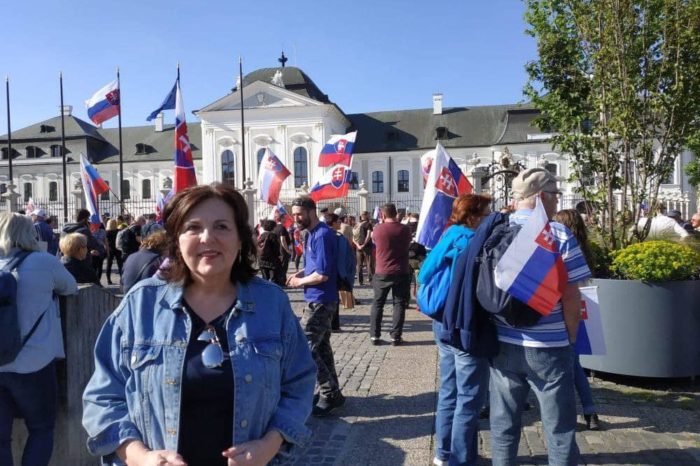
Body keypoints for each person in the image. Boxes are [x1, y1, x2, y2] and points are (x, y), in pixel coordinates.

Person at [82, 183, 316, 466]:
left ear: (240, 238)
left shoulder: (271, 304)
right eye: (193, 227)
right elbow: (103, 397)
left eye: (221, 226)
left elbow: (299, 383)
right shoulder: (140, 304)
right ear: (177, 240)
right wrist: (139, 456)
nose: (208, 238)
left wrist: (270, 444)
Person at [489, 168, 592, 466]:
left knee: (503, 424)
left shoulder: (496, 230)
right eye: (555, 194)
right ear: (540, 197)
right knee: (559, 428)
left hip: (502, 340)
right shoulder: (557, 233)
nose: (558, 200)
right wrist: (570, 337)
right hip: (548, 345)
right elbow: (572, 295)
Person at [0, 212, 77, 466]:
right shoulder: (43, 261)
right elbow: (70, 287)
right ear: (29, 233)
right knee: (41, 428)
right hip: (34, 362)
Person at [420, 194, 492, 466]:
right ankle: (462, 460)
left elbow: (424, 273)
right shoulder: (469, 241)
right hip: (462, 322)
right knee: (470, 398)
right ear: (473, 216)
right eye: (486, 213)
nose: (488, 217)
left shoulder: (448, 235)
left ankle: (443, 453)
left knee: (449, 391)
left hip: (441, 322)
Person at [287, 196, 345, 417]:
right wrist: (300, 274)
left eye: (299, 213)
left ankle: (329, 392)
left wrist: (299, 282)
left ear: (312, 211)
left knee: (305, 347)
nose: (296, 218)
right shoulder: (310, 234)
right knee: (321, 347)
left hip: (321, 299)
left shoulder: (321, 235)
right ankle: (333, 392)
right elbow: (314, 267)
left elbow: (322, 274)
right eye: (294, 214)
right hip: (316, 297)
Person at [554, 209, 601, 431]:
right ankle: (590, 410)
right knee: (575, 364)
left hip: (565, 309)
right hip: (583, 308)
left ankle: (578, 411)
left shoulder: (563, 247)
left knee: (568, 364)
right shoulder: (585, 248)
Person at [369, 203, 412, 346]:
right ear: (396, 214)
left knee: (378, 303)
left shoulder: (377, 229)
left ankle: (375, 335)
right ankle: (396, 336)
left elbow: (375, 242)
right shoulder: (405, 230)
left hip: (382, 271)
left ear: (382, 214)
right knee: (399, 303)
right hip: (401, 270)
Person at [353, 211, 374, 286]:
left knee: (359, 264)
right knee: (369, 263)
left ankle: (360, 281)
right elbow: (368, 235)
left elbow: (353, 237)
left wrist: (357, 245)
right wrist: (364, 244)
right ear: (366, 215)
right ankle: (371, 281)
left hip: (358, 246)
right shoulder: (368, 224)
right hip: (367, 246)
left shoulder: (357, 224)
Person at [105, 219, 123, 285]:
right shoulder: (118, 231)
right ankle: (122, 278)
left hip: (110, 249)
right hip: (118, 248)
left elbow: (106, 242)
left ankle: (108, 280)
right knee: (120, 265)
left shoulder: (106, 232)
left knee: (109, 265)